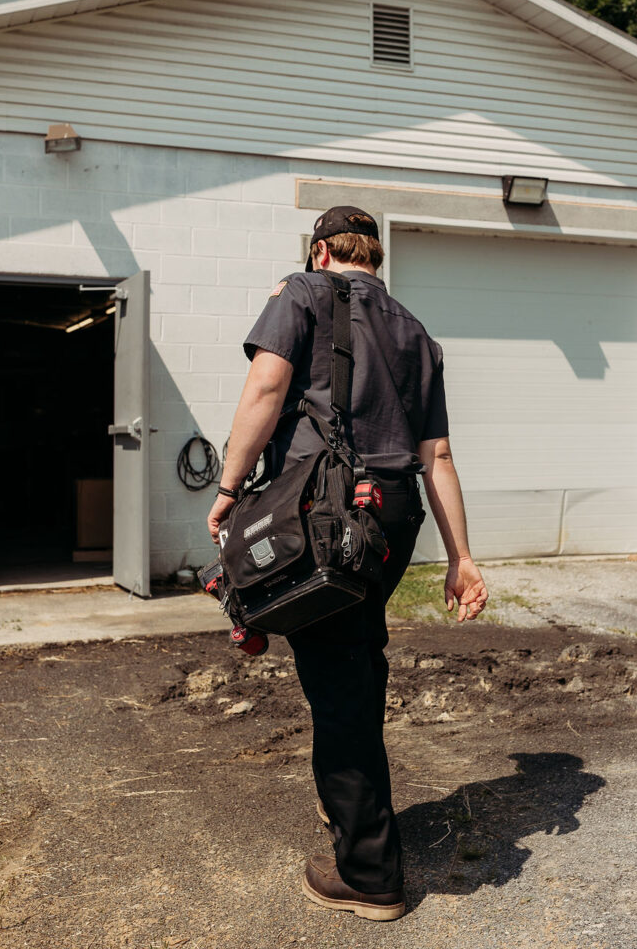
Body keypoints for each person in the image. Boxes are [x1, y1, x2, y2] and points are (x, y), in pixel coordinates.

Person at [207, 205, 488, 921]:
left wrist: (229, 488)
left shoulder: (303, 291)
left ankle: (368, 873)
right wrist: (461, 558)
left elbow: (266, 388)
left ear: (321, 251)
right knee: (358, 657)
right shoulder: (416, 331)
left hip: (325, 517)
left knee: (337, 687)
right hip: (392, 519)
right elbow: (438, 456)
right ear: (374, 256)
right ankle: (354, 816)